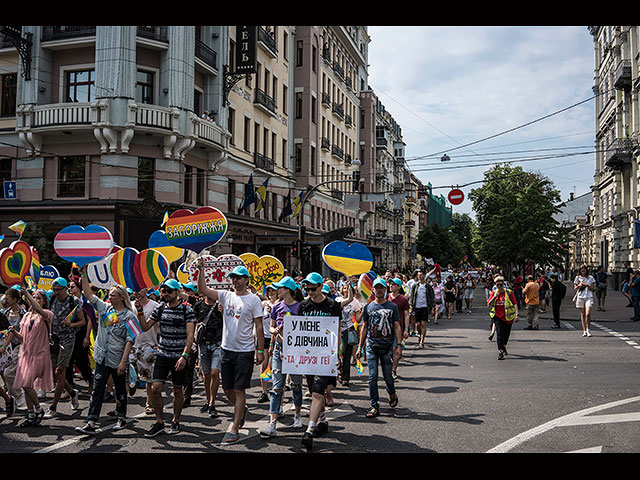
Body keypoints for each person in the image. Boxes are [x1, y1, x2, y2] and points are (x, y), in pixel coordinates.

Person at [194, 262, 264, 444]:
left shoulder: (254, 300)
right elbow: (202, 290)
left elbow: (259, 325)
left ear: (246, 280)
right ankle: (242, 409)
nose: (234, 280)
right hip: (226, 349)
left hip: (245, 351)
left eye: (238, 277)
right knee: (227, 389)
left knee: (239, 390)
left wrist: (261, 350)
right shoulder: (225, 296)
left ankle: (235, 426)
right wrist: (202, 270)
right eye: (232, 277)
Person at [75, 270, 135, 435]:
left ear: (122, 297)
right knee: (97, 389)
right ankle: (91, 421)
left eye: (113, 295)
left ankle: (121, 417)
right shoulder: (104, 308)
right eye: (109, 294)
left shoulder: (130, 316)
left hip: (118, 359)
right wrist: (84, 274)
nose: (110, 297)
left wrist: (123, 362)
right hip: (102, 357)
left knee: (120, 390)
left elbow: (130, 340)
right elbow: (88, 294)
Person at [136, 278, 196, 436]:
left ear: (177, 292)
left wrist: (184, 356)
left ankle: (176, 420)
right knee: (155, 389)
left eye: (169, 291)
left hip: (178, 356)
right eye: (163, 291)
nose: (166, 294)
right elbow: (145, 326)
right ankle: (159, 422)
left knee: (177, 390)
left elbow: (190, 335)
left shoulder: (186, 310)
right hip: (162, 354)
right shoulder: (160, 308)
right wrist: (140, 311)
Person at [297, 272, 342, 452]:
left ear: (320, 287)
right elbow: (299, 331)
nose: (309, 291)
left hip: (326, 355)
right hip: (309, 355)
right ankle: (323, 420)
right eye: (307, 288)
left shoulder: (332, 305)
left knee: (317, 392)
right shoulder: (304, 305)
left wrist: (337, 353)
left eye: (313, 288)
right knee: (314, 390)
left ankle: (309, 430)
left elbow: (337, 330)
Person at [259, 276, 305, 438]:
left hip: (295, 352)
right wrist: (275, 332)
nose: (276, 290)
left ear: (288, 290)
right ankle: (272, 424)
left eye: (280, 287)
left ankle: (297, 415)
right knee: (276, 387)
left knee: (296, 385)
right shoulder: (277, 306)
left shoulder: (301, 307)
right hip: (279, 349)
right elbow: (271, 328)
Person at [355, 278, 402, 418]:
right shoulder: (368, 307)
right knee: (372, 377)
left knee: (388, 377)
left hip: (387, 347)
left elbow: (397, 326)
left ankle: (391, 392)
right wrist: (359, 347)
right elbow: (364, 327)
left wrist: (399, 345)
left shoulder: (392, 307)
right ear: (373, 290)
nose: (379, 290)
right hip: (371, 346)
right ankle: (374, 406)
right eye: (376, 288)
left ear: (385, 289)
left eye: (382, 287)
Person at [10, 287, 53, 427]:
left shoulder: (47, 314)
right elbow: (22, 337)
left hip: (40, 355)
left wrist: (26, 293)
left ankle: (39, 409)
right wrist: (14, 332)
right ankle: (31, 415)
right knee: (26, 386)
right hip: (26, 354)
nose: (35, 300)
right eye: (34, 298)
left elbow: (39, 310)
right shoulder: (27, 316)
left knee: (26, 384)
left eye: (38, 298)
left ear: (44, 301)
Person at [45, 277, 86, 418]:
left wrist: (70, 324)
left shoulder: (73, 301)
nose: (56, 293)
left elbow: (82, 321)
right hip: (53, 340)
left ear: (65, 289)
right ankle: (72, 392)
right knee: (57, 375)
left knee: (59, 370)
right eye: (54, 290)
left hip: (67, 340)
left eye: (58, 290)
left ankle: (53, 407)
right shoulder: (51, 299)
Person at [192, 287, 223, 418]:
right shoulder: (198, 305)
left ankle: (212, 402)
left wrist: (223, 313)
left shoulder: (221, 305)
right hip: (203, 344)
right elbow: (193, 322)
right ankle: (207, 399)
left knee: (215, 372)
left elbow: (230, 322)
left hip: (218, 343)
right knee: (206, 375)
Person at [130, 289, 159, 415]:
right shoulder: (130, 306)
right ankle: (120, 406)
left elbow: (159, 326)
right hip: (131, 345)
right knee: (125, 373)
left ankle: (149, 403)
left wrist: (159, 343)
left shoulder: (155, 306)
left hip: (148, 345)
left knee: (148, 378)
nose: (137, 292)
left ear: (146, 290)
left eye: (140, 289)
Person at [1, 287, 26, 411]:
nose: (6, 299)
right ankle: (12, 397)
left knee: (8, 372)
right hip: (7, 346)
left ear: (15, 299)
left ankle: (18, 394)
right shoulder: (5, 313)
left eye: (8, 297)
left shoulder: (23, 313)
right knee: (5, 372)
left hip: (19, 345)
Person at [487, 276, 519, 360]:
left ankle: (504, 345)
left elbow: (515, 303)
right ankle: (500, 351)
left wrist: (517, 314)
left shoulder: (509, 292)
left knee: (506, 334)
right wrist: (494, 297)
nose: (499, 287)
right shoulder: (493, 293)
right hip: (498, 317)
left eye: (501, 285)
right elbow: (489, 305)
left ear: (504, 284)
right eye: (498, 285)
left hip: (508, 317)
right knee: (499, 334)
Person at [258, 285, 278, 404]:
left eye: (273, 290)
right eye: (269, 290)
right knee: (264, 364)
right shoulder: (263, 304)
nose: (271, 293)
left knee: (274, 364)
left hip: (276, 337)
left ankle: (277, 388)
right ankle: (264, 391)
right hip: (264, 336)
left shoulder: (280, 304)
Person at [387, 278, 409, 380]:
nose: (391, 286)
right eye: (390, 284)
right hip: (386, 328)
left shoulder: (403, 300)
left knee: (396, 349)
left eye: (394, 284)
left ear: (399, 287)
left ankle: (393, 370)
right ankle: (388, 368)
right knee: (388, 351)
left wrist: (406, 329)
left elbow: (406, 315)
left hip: (398, 328)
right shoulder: (386, 297)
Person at [409, 270, 434, 349]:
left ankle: (421, 342)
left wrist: (432, 308)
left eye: (421, 275)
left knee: (423, 324)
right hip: (417, 307)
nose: (419, 277)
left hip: (425, 307)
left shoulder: (428, 286)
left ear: (424, 276)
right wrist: (411, 307)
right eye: (418, 275)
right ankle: (420, 335)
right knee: (418, 325)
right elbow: (412, 297)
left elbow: (432, 298)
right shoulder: (415, 286)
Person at [573, 266, 596, 337]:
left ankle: (588, 329)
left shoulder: (591, 278)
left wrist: (587, 285)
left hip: (589, 296)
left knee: (588, 314)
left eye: (584, 271)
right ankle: (584, 330)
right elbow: (575, 288)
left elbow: (593, 289)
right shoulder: (577, 278)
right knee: (582, 314)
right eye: (582, 271)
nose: (583, 272)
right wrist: (579, 285)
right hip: (580, 297)